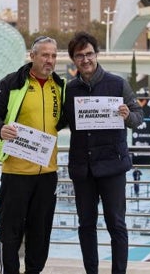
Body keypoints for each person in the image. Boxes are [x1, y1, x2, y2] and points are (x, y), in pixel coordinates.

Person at [58, 31, 143, 274]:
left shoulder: (117, 84)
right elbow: (60, 120)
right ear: (73, 60)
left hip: (112, 166)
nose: (85, 60)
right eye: (79, 56)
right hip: (83, 168)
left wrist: (128, 116)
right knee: (86, 225)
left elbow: (138, 117)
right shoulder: (70, 90)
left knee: (116, 224)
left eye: (89, 54)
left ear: (96, 55)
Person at [0, 36, 65, 274]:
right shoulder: (11, 83)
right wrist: (1, 129)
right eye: (45, 55)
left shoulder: (60, 86)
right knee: (10, 231)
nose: (49, 60)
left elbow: (66, 120)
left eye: (53, 56)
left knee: (40, 232)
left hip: (47, 172)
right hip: (16, 171)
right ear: (32, 56)